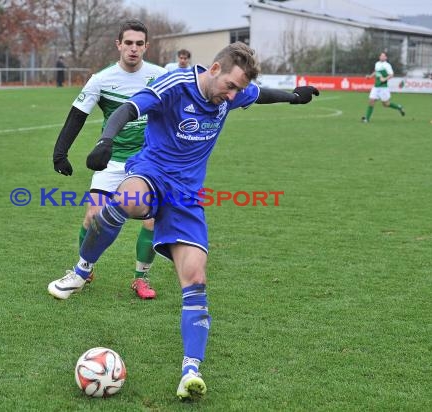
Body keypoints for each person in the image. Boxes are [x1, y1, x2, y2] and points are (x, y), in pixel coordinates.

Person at [49, 41, 319, 400]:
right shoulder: (174, 84)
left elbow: (260, 93)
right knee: (126, 200)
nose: (234, 95)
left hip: (186, 197)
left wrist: (294, 97)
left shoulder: (232, 94)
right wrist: (106, 139)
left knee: (196, 278)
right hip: (152, 172)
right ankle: (82, 270)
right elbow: (131, 107)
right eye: (231, 86)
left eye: (238, 89)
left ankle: (190, 370)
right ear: (215, 70)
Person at [49, 19, 167, 300]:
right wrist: (60, 152)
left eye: (139, 44)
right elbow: (77, 115)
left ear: (146, 46)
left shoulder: (161, 76)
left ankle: (141, 278)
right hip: (112, 160)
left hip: (148, 162)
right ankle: (85, 269)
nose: (134, 49)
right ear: (119, 45)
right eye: (128, 43)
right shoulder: (102, 79)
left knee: (151, 222)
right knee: (93, 215)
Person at [362, 51, 405, 123]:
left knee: (386, 104)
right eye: (381, 56)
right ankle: (367, 119)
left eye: (383, 56)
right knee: (371, 101)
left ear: (386, 58)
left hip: (383, 87)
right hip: (376, 86)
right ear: (379, 57)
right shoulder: (377, 64)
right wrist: (369, 77)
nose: (382, 57)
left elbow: (391, 75)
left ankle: (399, 107)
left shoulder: (387, 65)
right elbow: (376, 72)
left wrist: (384, 79)